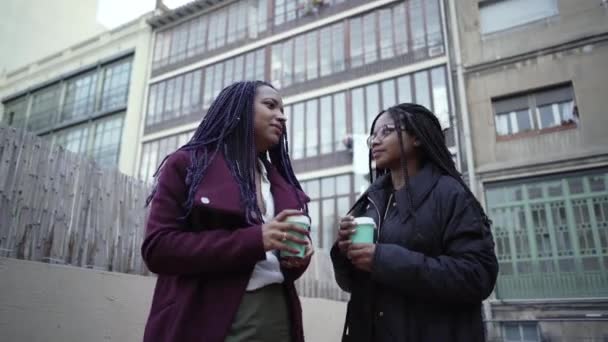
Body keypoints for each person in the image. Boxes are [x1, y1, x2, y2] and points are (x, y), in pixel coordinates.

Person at [141, 81, 313, 342]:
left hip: (277, 314)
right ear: (240, 109)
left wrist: (297, 261)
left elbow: (275, 265)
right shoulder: (188, 165)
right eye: (270, 105)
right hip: (205, 316)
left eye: (283, 109)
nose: (281, 116)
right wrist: (254, 240)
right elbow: (158, 249)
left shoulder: (281, 184)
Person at [331, 103, 499, 342]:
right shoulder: (371, 201)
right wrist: (344, 251)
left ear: (417, 138)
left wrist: (382, 259)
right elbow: (351, 284)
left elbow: (478, 276)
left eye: (386, 131)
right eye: (373, 137)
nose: (375, 142)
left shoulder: (450, 194)